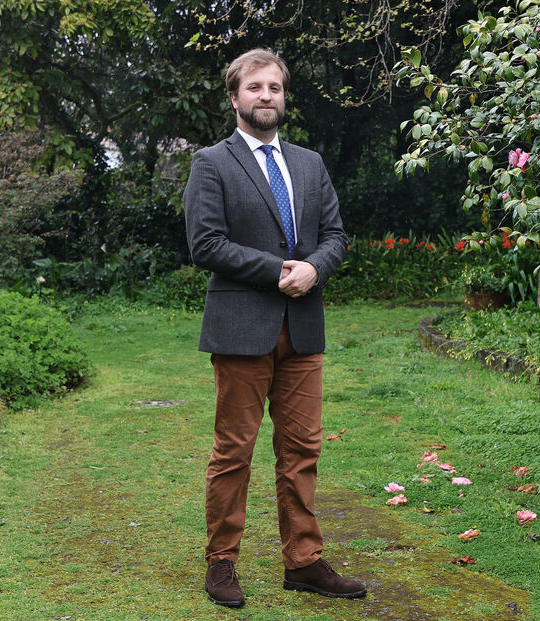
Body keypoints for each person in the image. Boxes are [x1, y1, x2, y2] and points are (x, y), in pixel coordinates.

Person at [183, 48, 365, 608]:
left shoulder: (309, 163)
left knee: (302, 449)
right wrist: (278, 272)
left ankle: (304, 562)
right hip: (242, 329)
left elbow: (335, 234)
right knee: (233, 451)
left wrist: (315, 268)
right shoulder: (211, 163)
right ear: (235, 97)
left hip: (303, 330)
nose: (267, 96)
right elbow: (205, 244)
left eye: (276, 88)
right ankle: (222, 564)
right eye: (256, 87)